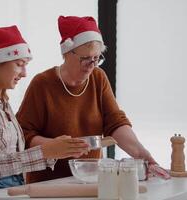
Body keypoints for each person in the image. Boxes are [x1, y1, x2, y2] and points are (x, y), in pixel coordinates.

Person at [0, 25, 89, 200]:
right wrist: (46, 151)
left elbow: (13, 159)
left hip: (9, 192)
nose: (24, 73)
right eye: (19, 65)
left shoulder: (2, 103)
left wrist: (57, 150)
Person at [16, 16, 157, 183]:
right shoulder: (43, 84)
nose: (92, 65)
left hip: (90, 179)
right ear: (67, 53)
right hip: (47, 184)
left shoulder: (98, 77)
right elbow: (22, 135)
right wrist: (53, 146)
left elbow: (115, 123)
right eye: (85, 59)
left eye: (96, 58)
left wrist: (143, 155)